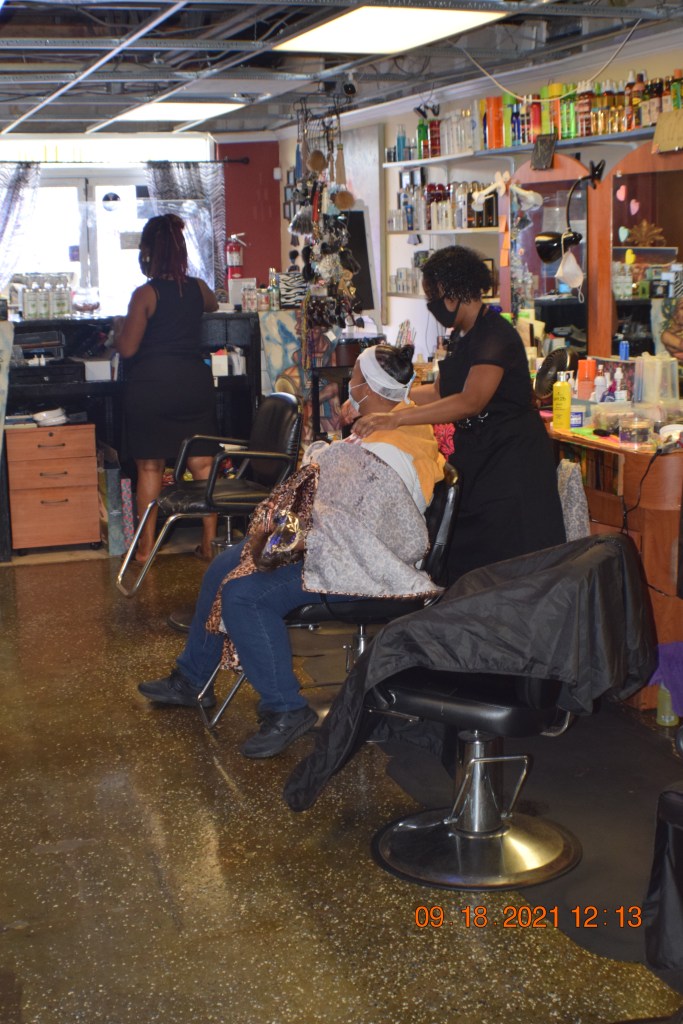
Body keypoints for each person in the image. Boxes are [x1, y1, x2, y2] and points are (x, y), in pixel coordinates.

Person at [138, 344, 445, 760]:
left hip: (364, 563)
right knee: (225, 564)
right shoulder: (391, 423)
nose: (349, 385)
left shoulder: (391, 448)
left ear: (370, 389)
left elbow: (363, 527)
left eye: (354, 378)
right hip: (338, 542)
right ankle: (192, 679)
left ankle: (286, 709)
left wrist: (298, 533)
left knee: (245, 595)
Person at [352, 246, 566, 583]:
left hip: (512, 461)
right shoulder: (462, 336)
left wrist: (396, 418)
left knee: (510, 558)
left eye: (432, 296)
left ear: (451, 293)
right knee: (467, 556)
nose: (431, 305)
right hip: (479, 453)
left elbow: (470, 401)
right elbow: (439, 392)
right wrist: (383, 398)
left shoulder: (495, 336)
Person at [114, 213, 219, 562]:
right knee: (202, 463)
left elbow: (128, 348)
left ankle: (145, 549)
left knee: (150, 468)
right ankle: (209, 543)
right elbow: (213, 304)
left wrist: (118, 329)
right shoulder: (198, 289)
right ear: (181, 252)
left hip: (153, 388)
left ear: (148, 254)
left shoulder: (145, 294)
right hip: (193, 384)